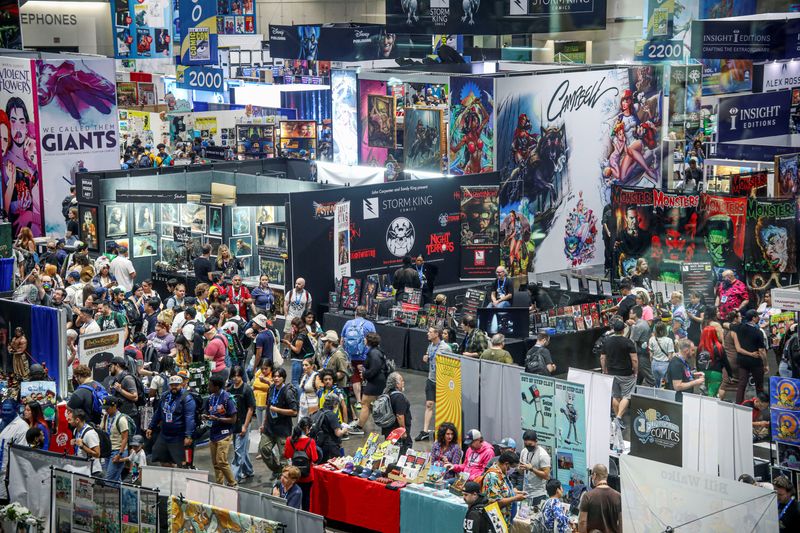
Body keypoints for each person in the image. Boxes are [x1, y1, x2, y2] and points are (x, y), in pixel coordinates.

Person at [146, 375, 196, 467]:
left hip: (179, 436)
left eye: (176, 385)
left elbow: (190, 418)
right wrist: (151, 426)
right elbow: (158, 413)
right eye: (172, 385)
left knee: (182, 464)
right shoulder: (165, 395)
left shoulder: (187, 398)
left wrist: (188, 435)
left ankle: (179, 479)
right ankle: (168, 479)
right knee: (162, 459)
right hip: (164, 434)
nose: (174, 387)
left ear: (181, 385)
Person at [259, 367, 298, 481]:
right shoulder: (271, 388)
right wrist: (263, 423)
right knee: (263, 449)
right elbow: (268, 407)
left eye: (278, 376)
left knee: (284, 457)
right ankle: (276, 470)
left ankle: (285, 482)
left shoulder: (288, 392)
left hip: (283, 429)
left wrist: (277, 410)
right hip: (269, 427)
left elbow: (294, 412)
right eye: (274, 376)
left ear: (283, 378)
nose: (276, 378)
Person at [601, 319, 638, 429]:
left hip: (611, 373)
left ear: (614, 330)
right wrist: (635, 371)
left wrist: (604, 370)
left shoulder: (607, 341)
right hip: (626, 374)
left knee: (616, 396)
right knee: (627, 396)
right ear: (623, 330)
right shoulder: (628, 342)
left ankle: (617, 420)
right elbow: (634, 360)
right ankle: (618, 417)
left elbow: (603, 358)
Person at [349, 332, 386, 435]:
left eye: (365, 339)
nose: (364, 340)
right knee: (368, 404)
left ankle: (359, 427)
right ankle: (360, 425)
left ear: (369, 341)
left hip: (375, 381)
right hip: (378, 380)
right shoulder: (377, 351)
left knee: (365, 403)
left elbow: (375, 368)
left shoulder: (373, 353)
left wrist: (365, 374)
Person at [205, 375, 238, 486]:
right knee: (215, 463)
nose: (208, 387)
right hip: (213, 434)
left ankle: (233, 484)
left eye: (210, 385)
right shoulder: (211, 398)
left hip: (224, 435)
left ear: (217, 386)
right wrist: (205, 417)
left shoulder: (227, 399)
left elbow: (233, 420)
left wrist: (218, 419)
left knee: (221, 461)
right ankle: (219, 484)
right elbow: (207, 412)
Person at [341, 305, 376, 409]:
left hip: (351, 357)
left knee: (355, 378)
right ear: (366, 314)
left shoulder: (348, 323)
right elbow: (374, 340)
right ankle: (370, 400)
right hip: (365, 357)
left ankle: (359, 402)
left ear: (355, 313)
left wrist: (344, 354)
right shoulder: (369, 324)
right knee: (369, 377)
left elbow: (342, 340)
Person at [480, 450, 527, 525]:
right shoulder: (493, 477)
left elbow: (502, 491)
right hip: (496, 521)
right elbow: (494, 502)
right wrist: (515, 498)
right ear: (506, 464)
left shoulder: (502, 474)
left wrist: (515, 493)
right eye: (513, 467)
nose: (513, 470)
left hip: (505, 518)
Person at [417, 326, 448, 441]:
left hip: (442, 382)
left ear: (437, 334)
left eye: (430, 332)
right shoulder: (430, 346)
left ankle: (441, 431)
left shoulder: (445, 348)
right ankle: (425, 431)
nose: (427, 334)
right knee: (429, 404)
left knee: (441, 407)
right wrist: (426, 357)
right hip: (431, 380)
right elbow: (429, 356)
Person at [733, 309, 768, 404]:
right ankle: (761, 405)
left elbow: (726, 325)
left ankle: (738, 405)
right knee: (759, 386)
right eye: (757, 316)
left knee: (742, 384)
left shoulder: (739, 327)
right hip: (755, 362)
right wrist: (765, 364)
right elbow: (761, 351)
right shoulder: (758, 332)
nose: (759, 318)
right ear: (753, 318)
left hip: (742, 361)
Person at [283, 417, 319, 511]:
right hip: (307, 477)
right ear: (307, 428)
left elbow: (287, 455)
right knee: (306, 499)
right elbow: (315, 459)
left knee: (293, 498)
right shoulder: (311, 442)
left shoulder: (289, 440)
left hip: (294, 475)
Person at [228, 366, 255, 483]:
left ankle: (234, 478)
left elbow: (251, 408)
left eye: (238, 375)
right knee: (240, 448)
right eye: (233, 375)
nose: (235, 378)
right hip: (234, 424)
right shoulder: (230, 390)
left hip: (243, 424)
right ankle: (248, 470)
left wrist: (245, 425)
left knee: (238, 451)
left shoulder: (247, 389)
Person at [578, 464, 621, 533]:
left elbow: (582, 522)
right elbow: (621, 522)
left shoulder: (587, 496)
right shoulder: (618, 496)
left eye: (592, 475)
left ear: (594, 475)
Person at [518, 429, 551, 508]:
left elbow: (547, 476)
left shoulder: (543, 455)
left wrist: (532, 469)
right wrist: (520, 468)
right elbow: (521, 472)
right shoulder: (524, 451)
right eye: (526, 445)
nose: (528, 447)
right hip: (525, 492)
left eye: (530, 444)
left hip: (538, 494)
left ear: (536, 441)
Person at [381, 372, 413, 453]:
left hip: (388, 431)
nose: (403, 383)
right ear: (396, 384)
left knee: (390, 452)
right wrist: (403, 431)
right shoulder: (399, 397)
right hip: (398, 433)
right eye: (401, 381)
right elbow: (400, 416)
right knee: (403, 451)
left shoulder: (386, 394)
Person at [100, 396, 129, 482]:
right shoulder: (106, 417)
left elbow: (125, 438)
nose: (106, 411)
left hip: (117, 451)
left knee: (109, 480)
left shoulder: (121, 419)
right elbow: (102, 429)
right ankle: (123, 495)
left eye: (107, 408)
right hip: (108, 451)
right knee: (115, 479)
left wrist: (119, 454)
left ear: (114, 406)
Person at [698, 324, 731, 398]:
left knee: (704, 396)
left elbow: (697, 361)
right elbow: (725, 362)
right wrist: (730, 374)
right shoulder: (718, 347)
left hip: (703, 373)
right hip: (716, 373)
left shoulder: (700, 347)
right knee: (711, 396)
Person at [314, 392, 348, 461]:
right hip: (332, 447)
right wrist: (344, 430)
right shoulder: (332, 415)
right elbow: (338, 433)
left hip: (320, 445)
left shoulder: (319, 412)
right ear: (335, 404)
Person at [106, 356, 139, 424]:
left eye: (111, 366)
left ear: (117, 365)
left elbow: (135, 397)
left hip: (130, 416)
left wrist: (120, 390)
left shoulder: (127, 378)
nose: (109, 369)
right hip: (121, 416)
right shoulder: (116, 379)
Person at [69, 409, 102, 475]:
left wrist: (82, 446)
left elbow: (97, 454)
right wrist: (75, 442)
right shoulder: (76, 430)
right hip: (83, 469)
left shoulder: (90, 434)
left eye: (70, 419)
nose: (68, 421)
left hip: (93, 471)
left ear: (77, 420)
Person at [628, 306, 653, 386]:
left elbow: (631, 341)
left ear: (635, 314)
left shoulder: (638, 326)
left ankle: (656, 393)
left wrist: (632, 327)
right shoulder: (642, 322)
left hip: (641, 354)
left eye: (631, 312)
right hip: (642, 353)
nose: (629, 314)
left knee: (649, 377)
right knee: (639, 377)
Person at [202, 319, 231, 384]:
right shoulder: (221, 336)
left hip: (217, 372)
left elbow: (208, 359)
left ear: (207, 334)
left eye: (204, 335)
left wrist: (201, 354)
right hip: (223, 368)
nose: (204, 337)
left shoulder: (213, 343)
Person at [649, 322, 674, 388]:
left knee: (656, 384)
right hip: (665, 365)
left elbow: (651, 355)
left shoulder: (652, 339)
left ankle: (656, 396)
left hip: (654, 364)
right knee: (664, 385)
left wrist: (652, 363)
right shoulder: (669, 340)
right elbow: (670, 356)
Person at [252, 359, 274, 429]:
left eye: (266, 368)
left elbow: (274, 386)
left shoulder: (274, 375)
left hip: (267, 405)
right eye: (262, 368)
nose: (264, 370)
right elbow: (254, 385)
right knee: (260, 427)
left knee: (265, 427)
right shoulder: (258, 373)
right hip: (257, 403)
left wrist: (265, 381)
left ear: (271, 367)